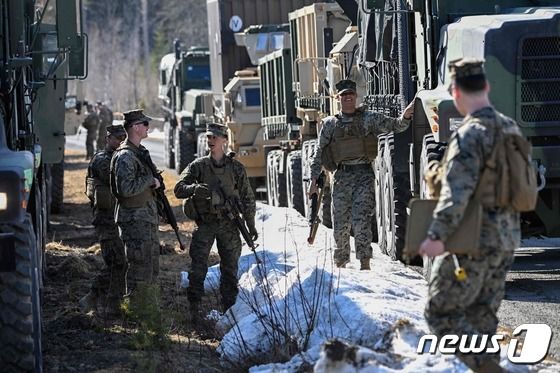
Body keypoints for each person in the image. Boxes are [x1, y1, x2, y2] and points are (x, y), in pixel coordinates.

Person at [419, 59, 520, 373]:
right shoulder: (509, 127)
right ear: (487, 87)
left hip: (473, 240)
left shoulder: (469, 135)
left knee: (439, 313)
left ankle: (490, 369)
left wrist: (436, 236)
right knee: (482, 320)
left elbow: (456, 194)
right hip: (505, 240)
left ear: (455, 92)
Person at [308, 79, 414, 270]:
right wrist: (313, 180)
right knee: (340, 223)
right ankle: (341, 264)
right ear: (338, 98)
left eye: (350, 94)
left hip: (364, 175)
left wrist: (405, 117)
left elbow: (396, 126)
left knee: (362, 220)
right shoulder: (330, 124)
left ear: (356, 96)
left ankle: (364, 264)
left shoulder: (368, 119)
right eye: (343, 95)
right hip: (341, 177)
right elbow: (319, 152)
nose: (347, 98)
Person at [174, 123, 256, 315]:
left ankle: (228, 311)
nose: (211, 141)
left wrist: (250, 223)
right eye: (209, 137)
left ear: (225, 140)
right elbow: (178, 188)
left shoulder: (236, 168)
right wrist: (194, 189)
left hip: (229, 224)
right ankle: (194, 309)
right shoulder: (198, 166)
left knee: (230, 269)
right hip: (206, 223)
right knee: (198, 267)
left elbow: (247, 197)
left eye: (215, 137)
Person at [110, 109, 161, 301]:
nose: (149, 128)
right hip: (134, 220)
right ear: (136, 127)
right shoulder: (126, 156)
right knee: (139, 270)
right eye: (146, 124)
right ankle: (136, 314)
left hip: (145, 218)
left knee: (151, 267)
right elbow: (125, 188)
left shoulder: (139, 153)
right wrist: (149, 180)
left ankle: (148, 312)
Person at [80, 124, 128, 315]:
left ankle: (112, 304)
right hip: (106, 221)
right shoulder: (102, 160)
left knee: (121, 264)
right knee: (117, 262)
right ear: (108, 139)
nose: (120, 142)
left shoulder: (120, 157)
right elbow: (119, 177)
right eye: (117, 138)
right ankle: (93, 296)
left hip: (119, 219)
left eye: (122, 138)